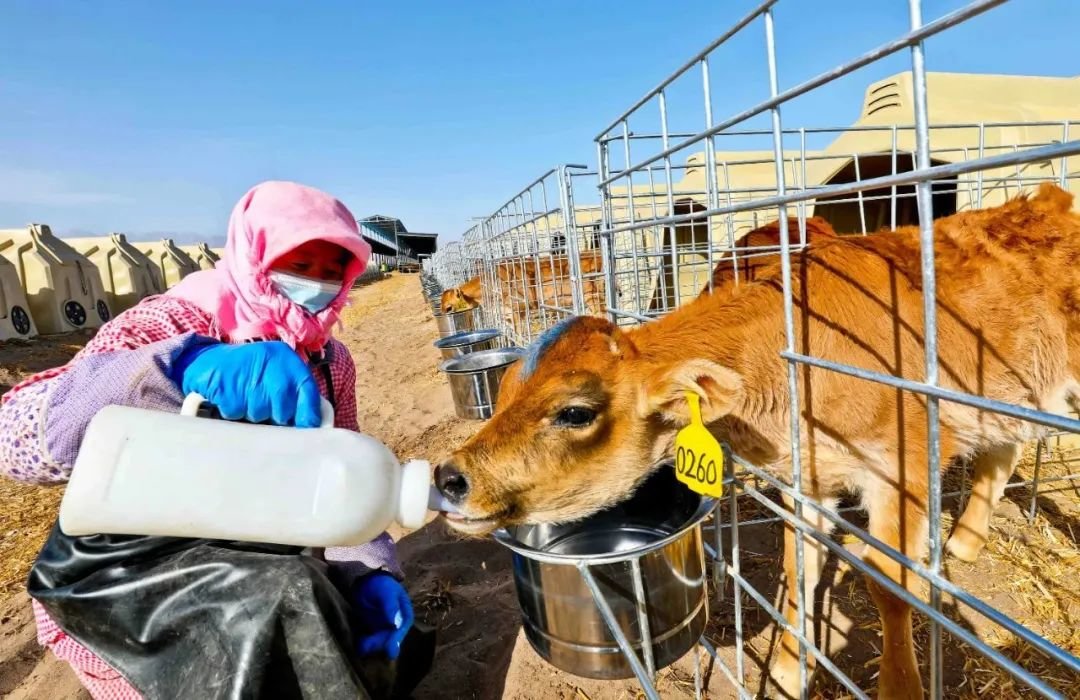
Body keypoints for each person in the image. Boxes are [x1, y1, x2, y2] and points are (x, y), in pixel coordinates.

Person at [0, 181, 431, 699]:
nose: (314, 284)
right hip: (134, 585)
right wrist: (177, 368)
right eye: (298, 264)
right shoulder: (170, 324)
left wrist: (371, 572)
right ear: (253, 256)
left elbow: (341, 481)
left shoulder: (328, 362)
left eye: (330, 271)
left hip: (261, 570)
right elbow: (15, 441)